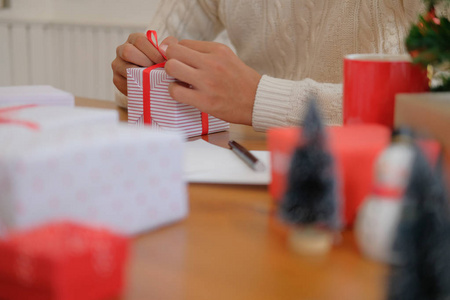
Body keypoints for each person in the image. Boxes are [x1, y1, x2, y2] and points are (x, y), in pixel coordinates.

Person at [112, 0, 426, 132]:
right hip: (253, 172)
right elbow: (151, 59)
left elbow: (433, 107)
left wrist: (258, 99)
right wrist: (139, 75)